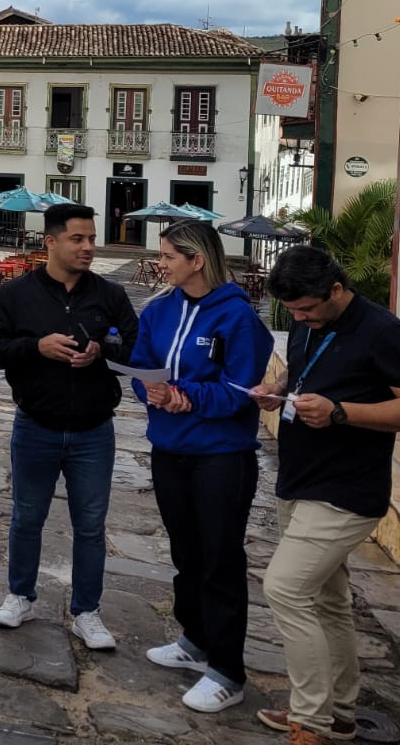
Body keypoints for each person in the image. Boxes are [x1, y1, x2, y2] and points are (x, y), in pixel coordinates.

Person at [252, 246, 400, 745]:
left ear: (336, 290)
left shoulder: (386, 333)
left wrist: (341, 412)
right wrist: (278, 389)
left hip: (347, 489)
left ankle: (309, 721)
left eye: (307, 309)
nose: (299, 319)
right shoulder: (306, 320)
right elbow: (304, 370)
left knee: (285, 589)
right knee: (327, 601)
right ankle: (338, 713)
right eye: (292, 312)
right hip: (299, 477)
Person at [128, 220, 275, 713]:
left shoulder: (238, 317)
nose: (161, 264)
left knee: (220, 559)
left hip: (221, 456)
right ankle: (195, 640)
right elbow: (141, 366)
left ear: (197, 260)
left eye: (169, 256)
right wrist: (149, 390)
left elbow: (241, 390)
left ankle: (228, 671)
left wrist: (185, 396)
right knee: (186, 552)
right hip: (169, 450)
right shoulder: (159, 310)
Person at [0, 202, 137, 650]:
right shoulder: (16, 294)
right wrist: (37, 347)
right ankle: (20, 596)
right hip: (36, 425)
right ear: (50, 242)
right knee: (27, 516)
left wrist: (102, 352)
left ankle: (87, 611)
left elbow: (136, 346)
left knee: (90, 524)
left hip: (94, 429)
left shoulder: (110, 295)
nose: (88, 247)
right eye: (77, 239)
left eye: (92, 239)